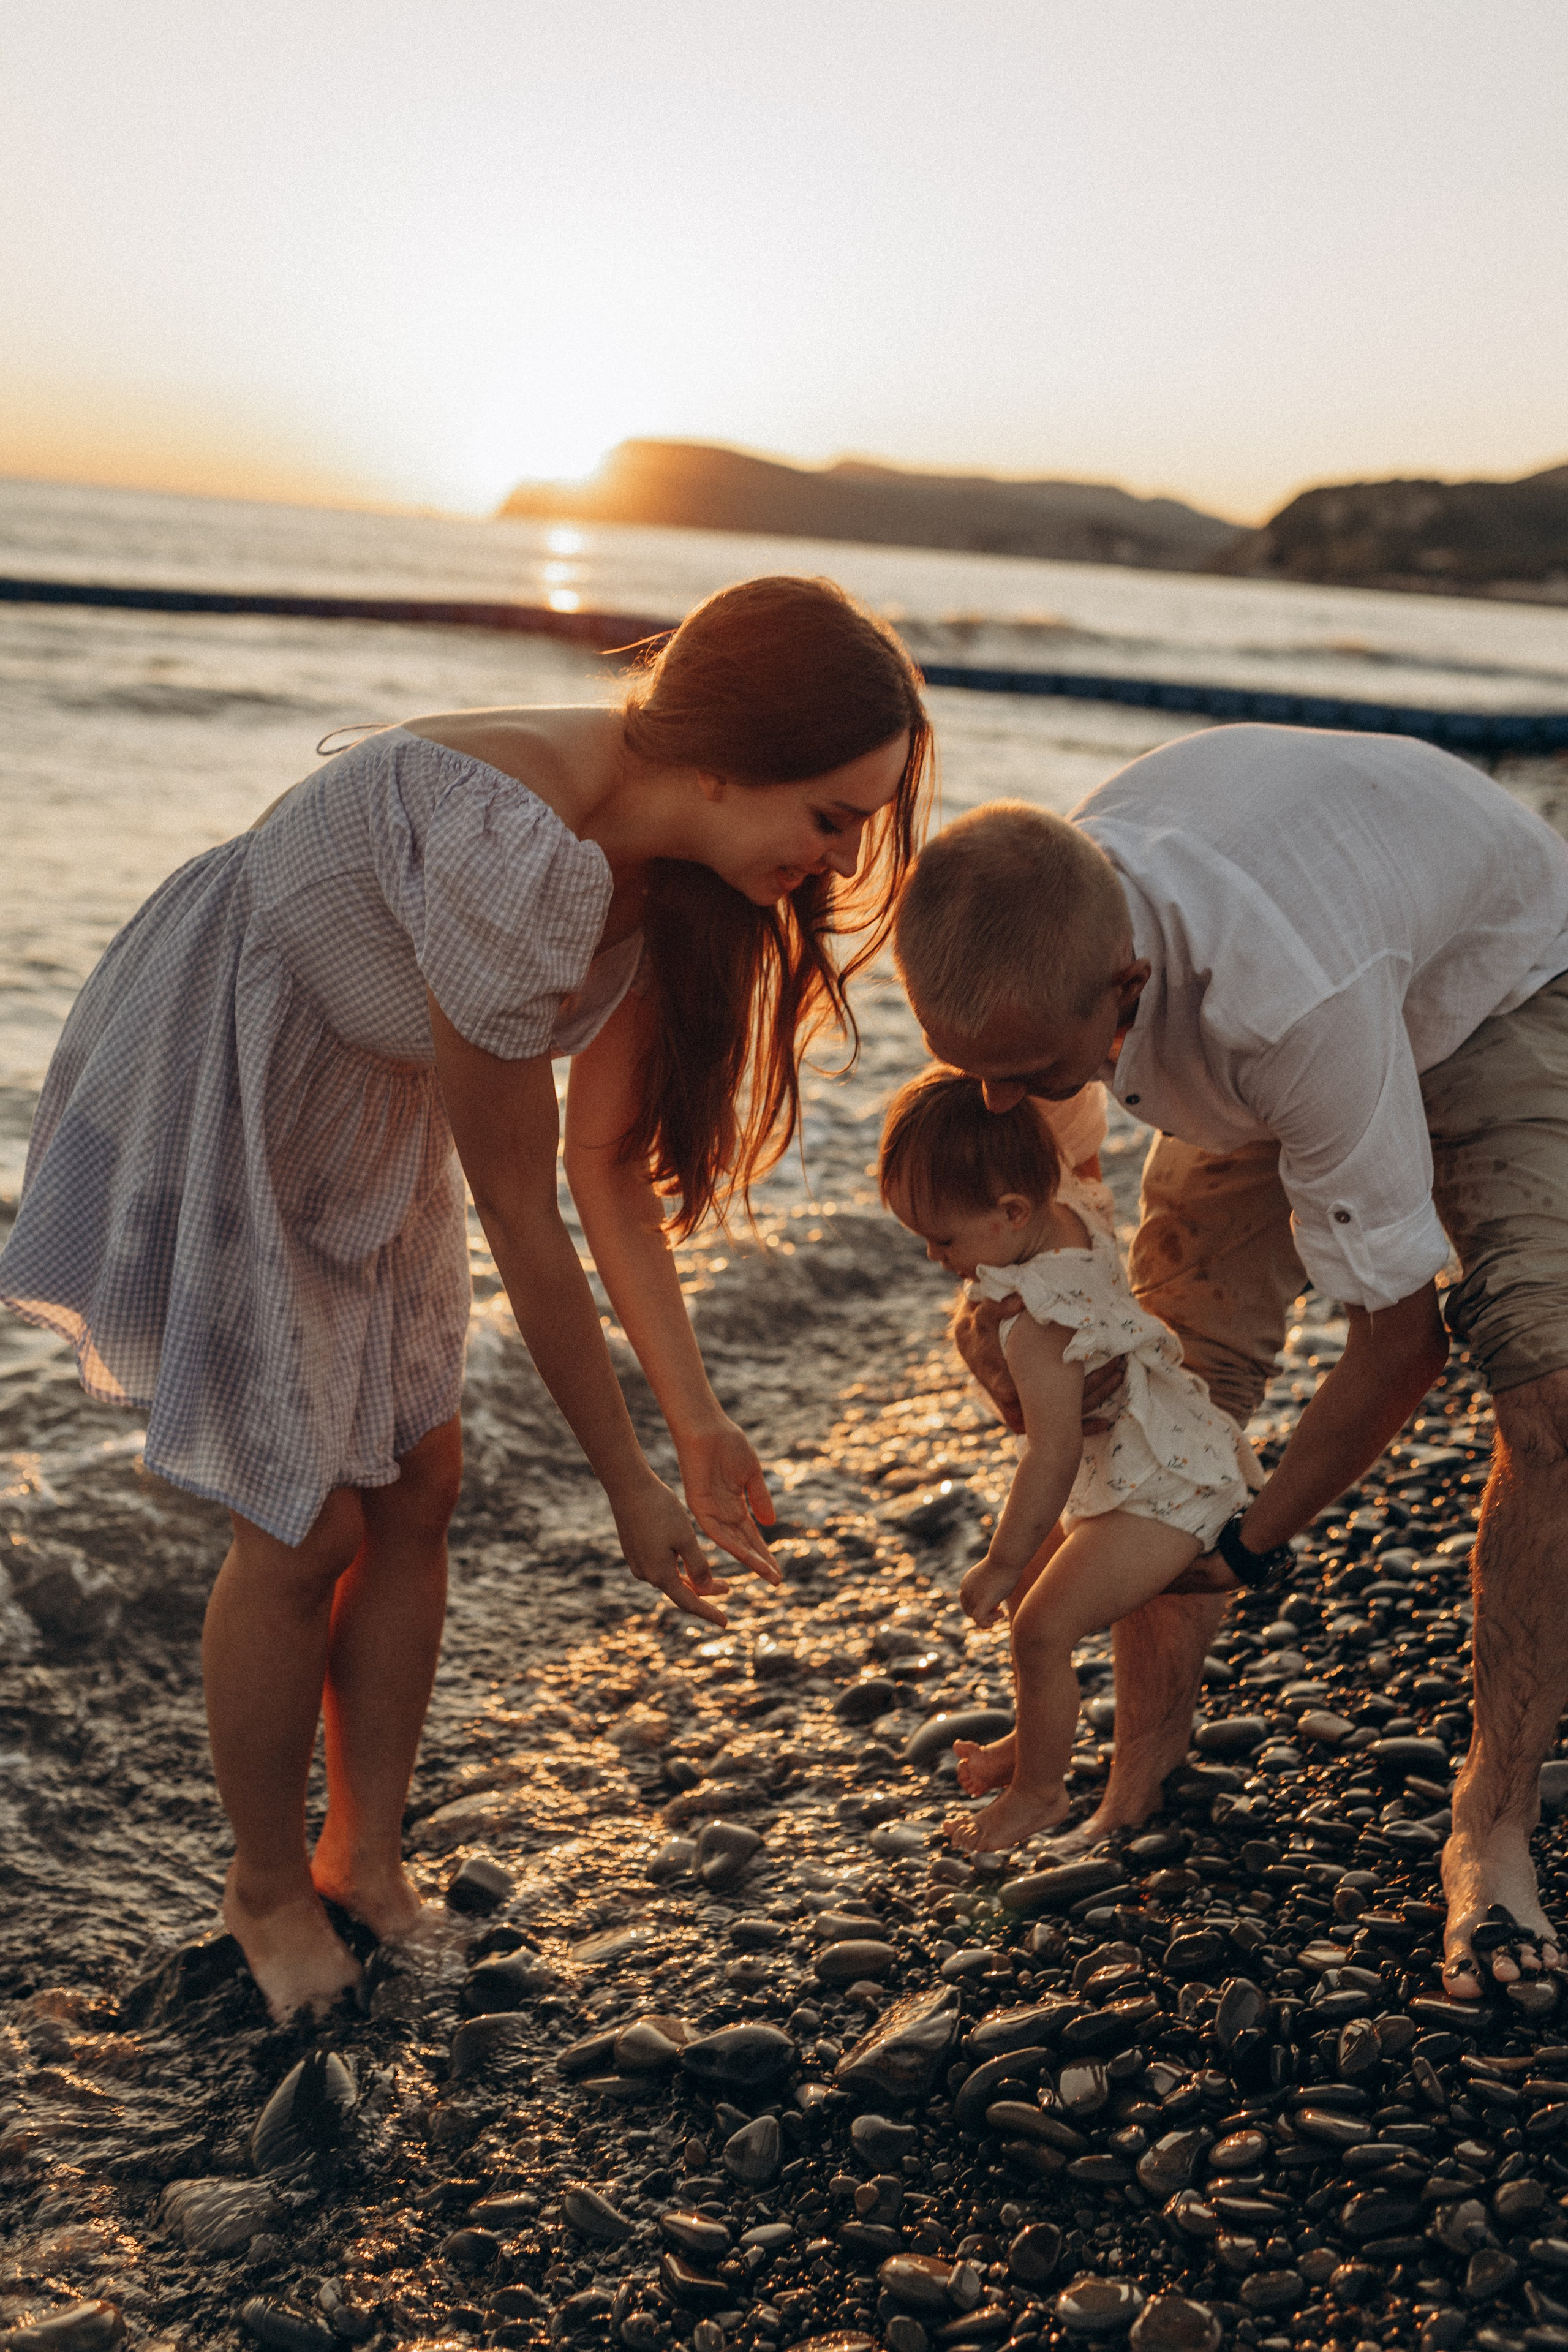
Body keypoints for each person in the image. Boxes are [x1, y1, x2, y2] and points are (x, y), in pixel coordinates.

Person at [0, 574, 931, 2021]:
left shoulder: (674, 865)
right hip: (230, 1069)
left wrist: (694, 1425)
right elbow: (520, 1211)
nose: (837, 861)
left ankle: (363, 1857)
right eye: (830, 815)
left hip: (365, 1095)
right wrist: (622, 1483)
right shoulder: (515, 843)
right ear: (718, 759)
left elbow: (605, 1175)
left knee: (419, 1481)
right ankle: (259, 1882)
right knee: (299, 1518)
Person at [892, 723, 1568, 1999]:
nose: (995, 1103)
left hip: (1498, 985)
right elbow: (1060, 1192)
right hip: (1312, 989)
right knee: (1157, 1389)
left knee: (1548, 1394)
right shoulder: (1043, 921)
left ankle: (1489, 1831)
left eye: (1024, 1074)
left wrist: (1241, 1542)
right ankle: (1141, 1756)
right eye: (967, 1073)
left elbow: (1397, 1345)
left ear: (1126, 988)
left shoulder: (1281, 1003)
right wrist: (1019, 1320)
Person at [878, 1066, 1250, 1850]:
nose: (930, 1256)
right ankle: (1035, 1734)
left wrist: (1000, 1562)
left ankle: (1038, 1794)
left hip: (1161, 1490)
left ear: (1010, 1213)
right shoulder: (1073, 1205)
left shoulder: (1034, 1325)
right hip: (1168, 1437)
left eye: (942, 1238)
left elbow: (1047, 1458)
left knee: (1039, 1628)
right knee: (1041, 1591)